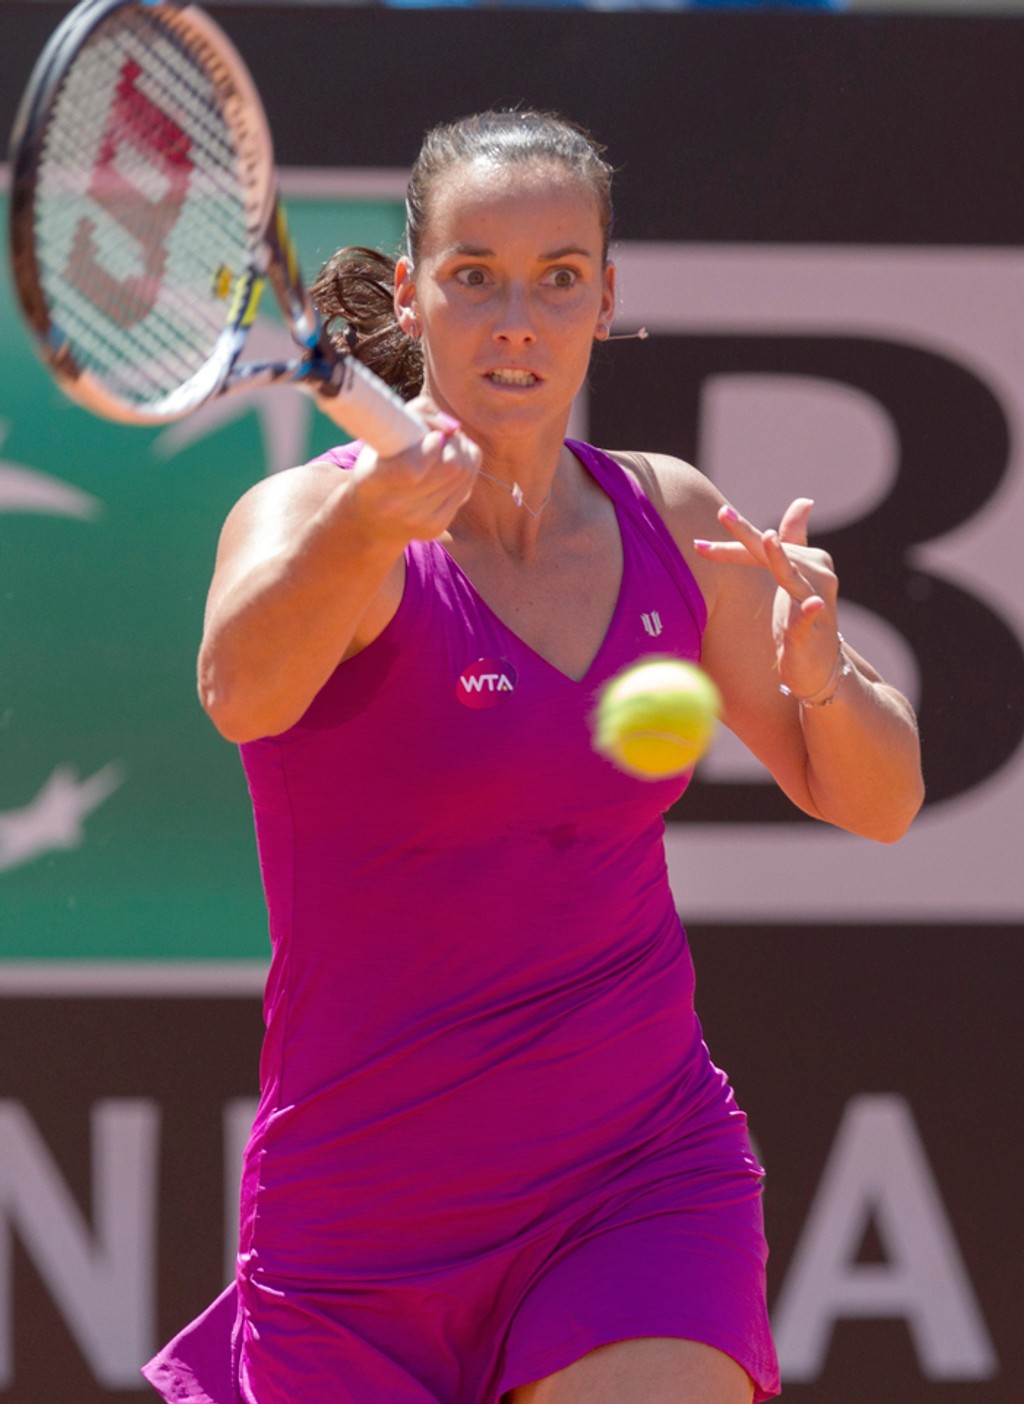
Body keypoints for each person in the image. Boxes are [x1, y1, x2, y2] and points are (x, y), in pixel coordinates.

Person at [143, 110, 923, 1404]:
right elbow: (241, 693)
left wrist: (820, 670)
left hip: (636, 1177)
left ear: (604, 299)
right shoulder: (310, 512)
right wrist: (364, 529)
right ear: (412, 293)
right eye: (476, 276)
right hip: (359, 1228)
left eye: (559, 278)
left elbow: (880, 800)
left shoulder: (674, 517)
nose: (519, 321)